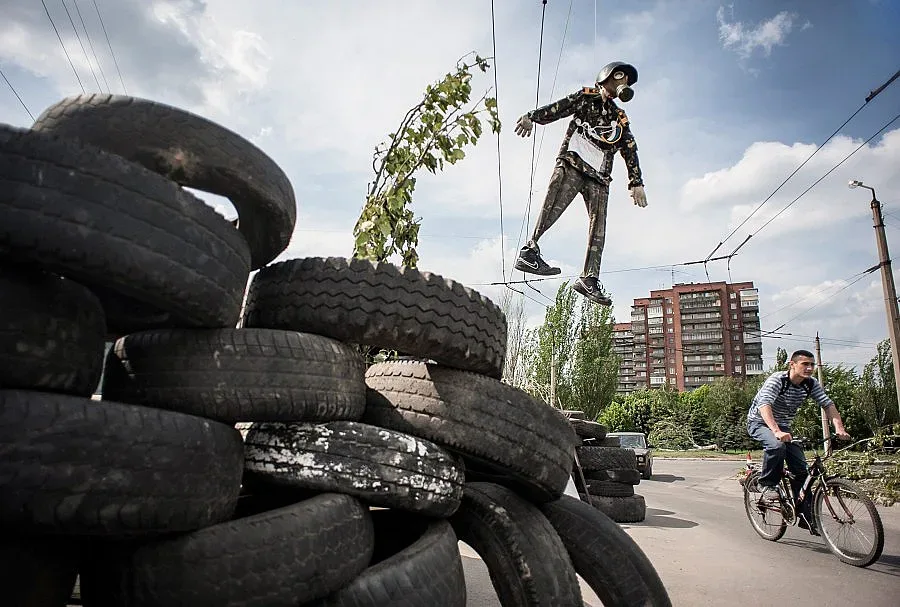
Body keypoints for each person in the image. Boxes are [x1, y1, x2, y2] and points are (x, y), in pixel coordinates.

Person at [513, 61, 647, 306]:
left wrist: (636, 182)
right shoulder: (586, 98)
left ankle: (589, 278)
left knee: (599, 226)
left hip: (599, 176)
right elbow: (560, 108)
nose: (623, 84)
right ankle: (530, 251)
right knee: (553, 206)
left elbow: (629, 148)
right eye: (620, 78)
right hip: (574, 162)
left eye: (626, 81)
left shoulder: (619, 118)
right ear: (607, 77)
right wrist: (532, 117)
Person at [746, 349, 851, 533]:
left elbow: (828, 404)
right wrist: (776, 431)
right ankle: (767, 484)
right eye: (805, 364)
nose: (810, 368)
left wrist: (839, 428)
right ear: (792, 365)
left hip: (784, 427)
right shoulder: (777, 380)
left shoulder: (810, 384)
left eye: (812, 364)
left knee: (802, 472)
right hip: (760, 422)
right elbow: (764, 405)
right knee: (776, 445)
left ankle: (805, 517)